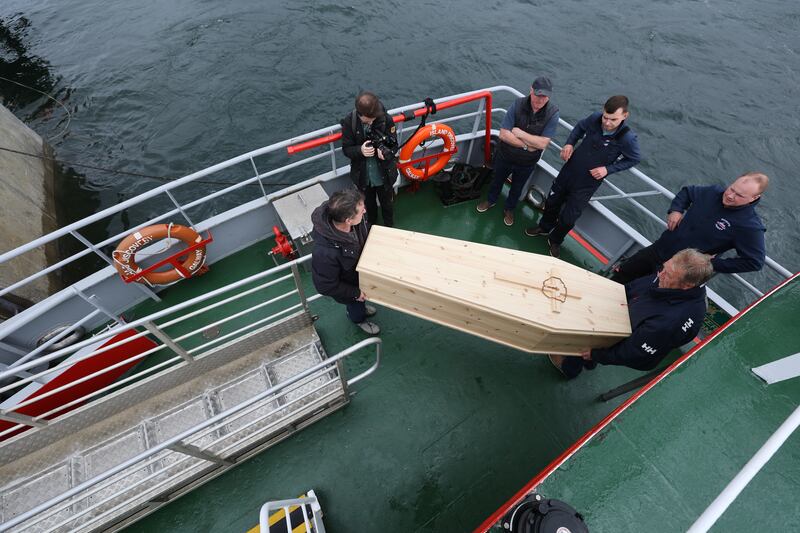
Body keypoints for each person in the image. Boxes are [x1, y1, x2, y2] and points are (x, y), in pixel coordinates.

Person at [550, 248, 711, 379]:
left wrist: (596, 354)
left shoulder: (669, 322)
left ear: (687, 286)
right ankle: (589, 362)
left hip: (639, 340)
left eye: (667, 275)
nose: (660, 274)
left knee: (589, 346)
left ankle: (569, 368)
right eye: (664, 268)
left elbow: (632, 352)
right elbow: (635, 287)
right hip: (637, 315)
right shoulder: (668, 278)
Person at [526, 95, 642, 258]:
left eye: (613, 120)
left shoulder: (627, 138)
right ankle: (544, 227)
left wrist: (608, 169)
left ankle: (555, 240)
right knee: (552, 202)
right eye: (605, 117)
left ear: (625, 116)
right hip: (568, 172)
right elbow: (579, 128)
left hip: (586, 184)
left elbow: (634, 158)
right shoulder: (595, 119)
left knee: (569, 218)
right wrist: (569, 143)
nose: (607, 123)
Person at [611, 172, 769, 284]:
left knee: (641, 296)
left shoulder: (749, 226)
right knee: (623, 274)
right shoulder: (713, 192)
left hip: (679, 272)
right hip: (658, 249)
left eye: (739, 195)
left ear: (754, 198)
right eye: (732, 189)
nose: (730, 196)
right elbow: (687, 192)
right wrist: (676, 210)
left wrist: (710, 264)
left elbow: (754, 262)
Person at [476, 77, 560, 226]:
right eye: (538, 95)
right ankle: (491, 200)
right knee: (497, 179)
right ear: (531, 90)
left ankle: (509, 209)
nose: (540, 100)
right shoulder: (518, 104)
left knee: (517, 187)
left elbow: (543, 143)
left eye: (544, 97)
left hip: (526, 163)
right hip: (505, 155)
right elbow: (503, 134)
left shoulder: (552, 114)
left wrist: (520, 134)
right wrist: (528, 145)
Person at [311, 189, 380, 334]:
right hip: (349, 287)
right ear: (348, 220)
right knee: (356, 305)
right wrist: (355, 293)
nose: (365, 211)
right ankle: (358, 319)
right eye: (361, 211)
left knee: (361, 302)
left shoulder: (354, 221)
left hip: (359, 277)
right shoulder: (324, 252)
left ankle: (362, 307)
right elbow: (324, 285)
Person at [340, 91, 399, 227]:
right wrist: (360, 150)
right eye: (370, 118)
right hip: (363, 178)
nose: (373, 120)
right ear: (361, 115)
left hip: (384, 175)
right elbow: (346, 149)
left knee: (388, 206)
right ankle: (372, 228)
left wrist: (386, 152)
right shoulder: (350, 123)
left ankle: (389, 228)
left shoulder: (385, 119)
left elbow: (394, 145)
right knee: (368, 207)